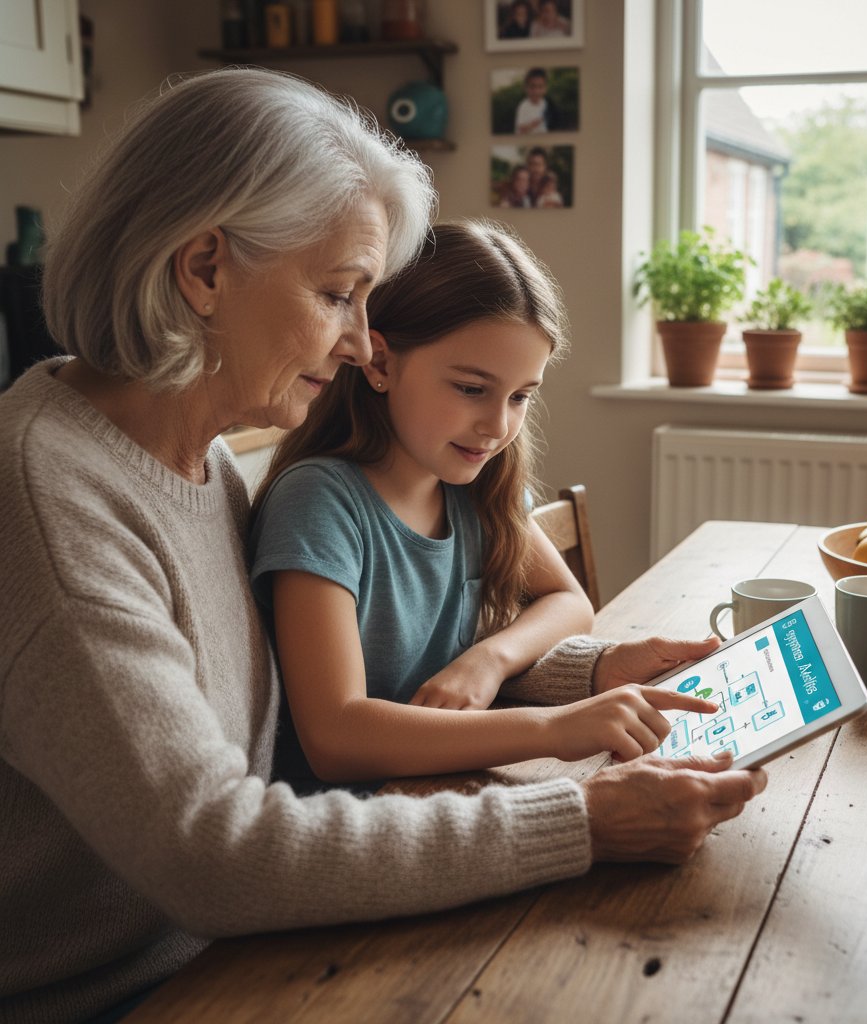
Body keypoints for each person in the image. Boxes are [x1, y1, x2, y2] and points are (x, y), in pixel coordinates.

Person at [0, 66, 766, 1023]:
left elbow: (377, 656)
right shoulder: (54, 502)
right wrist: (580, 820)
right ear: (203, 271)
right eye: (337, 294)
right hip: (125, 992)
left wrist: (587, 671)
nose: (365, 344)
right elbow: (217, 856)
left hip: (239, 947)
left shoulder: (198, 463)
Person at [248, 220, 705, 793]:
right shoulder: (320, 502)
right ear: (381, 365)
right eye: (471, 389)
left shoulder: (476, 488)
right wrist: (551, 729)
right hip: (351, 827)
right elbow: (336, 738)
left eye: (520, 397)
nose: (498, 426)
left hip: (447, 790)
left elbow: (568, 601)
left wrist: (488, 660)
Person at [515, 67, 554, 134]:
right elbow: (520, 129)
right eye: (532, 87)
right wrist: (532, 125)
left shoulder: (545, 103)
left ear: (545, 88)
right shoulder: (524, 106)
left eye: (540, 87)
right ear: (526, 88)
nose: (536, 91)